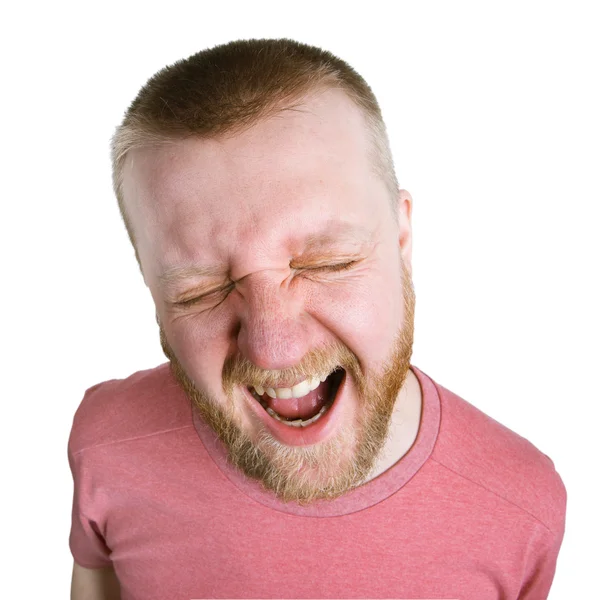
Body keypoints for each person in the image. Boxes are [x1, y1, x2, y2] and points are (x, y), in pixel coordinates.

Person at [68, 38, 566, 600]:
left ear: (401, 240)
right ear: (151, 291)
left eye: (328, 262)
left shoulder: (521, 502)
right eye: (201, 289)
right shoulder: (105, 441)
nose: (273, 348)